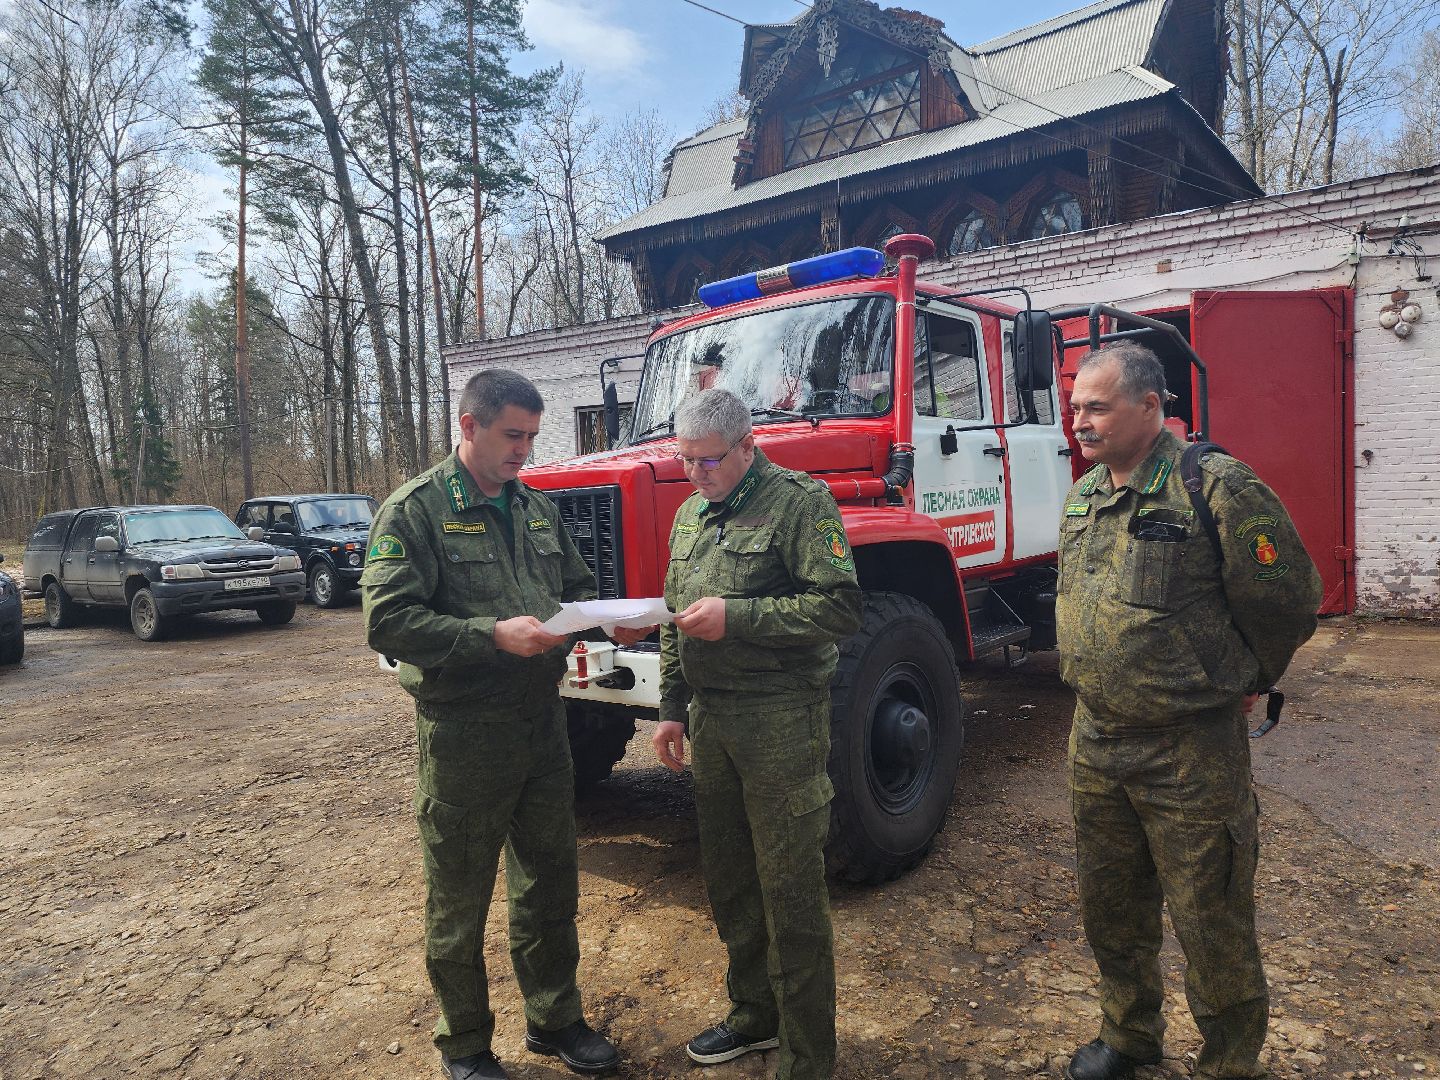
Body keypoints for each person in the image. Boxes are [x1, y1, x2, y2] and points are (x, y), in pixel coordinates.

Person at [1056, 343, 1323, 1080]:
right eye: (1077, 406)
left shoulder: (1216, 487)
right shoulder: (1086, 495)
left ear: (1151, 407)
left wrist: (1244, 675)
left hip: (1188, 749)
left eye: (1097, 406)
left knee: (1211, 919)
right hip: (1097, 740)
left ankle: (1228, 1063)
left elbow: (1289, 598)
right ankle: (1128, 1035)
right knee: (1111, 909)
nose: (1080, 420)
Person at [362, 369, 620, 1080]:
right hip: (465, 734)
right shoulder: (413, 512)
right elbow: (386, 620)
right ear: (469, 426)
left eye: (533, 437)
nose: (525, 452)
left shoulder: (533, 509)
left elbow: (575, 586)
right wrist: (489, 636)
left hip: (542, 726)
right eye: (514, 435)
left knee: (549, 883)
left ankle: (555, 1019)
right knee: (460, 897)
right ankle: (466, 1045)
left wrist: (570, 630)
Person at [649, 388, 862, 1080]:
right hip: (712, 722)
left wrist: (738, 617)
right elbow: (674, 614)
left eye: (709, 461)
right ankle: (753, 1016)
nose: (696, 474)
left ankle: (807, 1055)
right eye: (685, 460)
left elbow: (837, 607)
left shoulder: (800, 503)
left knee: (791, 890)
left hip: (779, 719)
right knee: (733, 880)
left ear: (747, 446)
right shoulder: (689, 515)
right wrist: (672, 705)